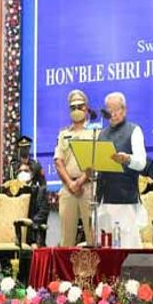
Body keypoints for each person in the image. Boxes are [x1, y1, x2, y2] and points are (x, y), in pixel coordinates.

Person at [95, 92, 148, 248]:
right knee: (105, 247)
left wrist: (127, 159)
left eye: (116, 109)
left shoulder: (134, 130)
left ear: (124, 110)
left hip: (126, 199)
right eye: (109, 109)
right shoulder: (101, 134)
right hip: (105, 198)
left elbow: (141, 163)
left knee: (127, 246)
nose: (113, 113)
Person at [54, 89, 94, 246]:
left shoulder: (93, 133)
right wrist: (71, 183)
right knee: (66, 239)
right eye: (73, 107)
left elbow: (94, 162)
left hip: (88, 187)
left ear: (86, 108)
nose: (76, 110)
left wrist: (81, 181)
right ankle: (65, 271)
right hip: (67, 188)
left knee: (92, 236)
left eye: (80, 106)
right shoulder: (64, 134)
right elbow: (58, 162)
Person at [16, 162, 49, 247]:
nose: (23, 173)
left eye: (26, 171)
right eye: (20, 171)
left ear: (31, 174)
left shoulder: (40, 191)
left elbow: (43, 212)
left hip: (32, 232)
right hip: (16, 231)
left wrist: (30, 224)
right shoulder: (14, 191)